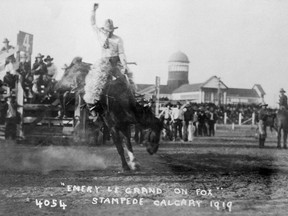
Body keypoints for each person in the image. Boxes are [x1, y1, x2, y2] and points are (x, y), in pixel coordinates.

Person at [83, 3, 129, 117]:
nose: (109, 32)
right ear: (105, 29)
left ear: (113, 30)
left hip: (115, 63)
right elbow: (93, 24)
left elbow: (121, 53)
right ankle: (93, 108)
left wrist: (124, 66)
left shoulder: (118, 39)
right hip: (103, 63)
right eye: (107, 30)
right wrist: (93, 11)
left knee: (125, 83)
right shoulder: (100, 35)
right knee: (95, 85)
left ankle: (128, 107)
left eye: (111, 30)